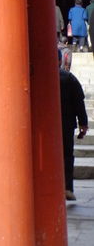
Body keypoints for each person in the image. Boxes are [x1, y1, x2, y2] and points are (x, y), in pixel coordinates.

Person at [58, 48, 89, 201]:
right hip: (66, 123)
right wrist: (83, 123)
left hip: (44, 125)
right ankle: (67, 187)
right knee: (67, 155)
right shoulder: (69, 78)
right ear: (60, 61)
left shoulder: (40, 77)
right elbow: (79, 103)